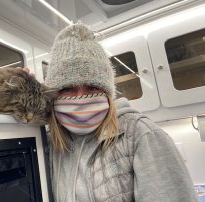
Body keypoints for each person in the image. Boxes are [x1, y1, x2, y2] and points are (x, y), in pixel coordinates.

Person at [32, 22, 199, 202]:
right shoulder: (49, 141)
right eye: (67, 89)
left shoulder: (141, 134)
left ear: (107, 93)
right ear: (53, 96)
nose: (81, 98)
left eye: (92, 87)